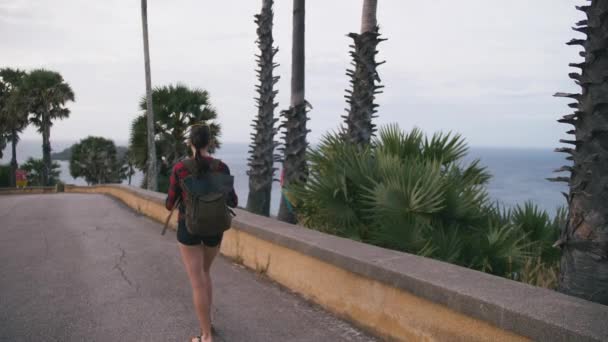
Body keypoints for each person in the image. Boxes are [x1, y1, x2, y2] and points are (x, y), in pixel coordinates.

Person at [165, 124, 238, 342]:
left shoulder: (180, 168)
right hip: (215, 228)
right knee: (206, 273)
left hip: (189, 228)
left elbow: (170, 204)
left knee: (197, 281)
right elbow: (233, 201)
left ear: (190, 142)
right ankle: (209, 323)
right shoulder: (221, 167)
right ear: (209, 142)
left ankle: (206, 336)